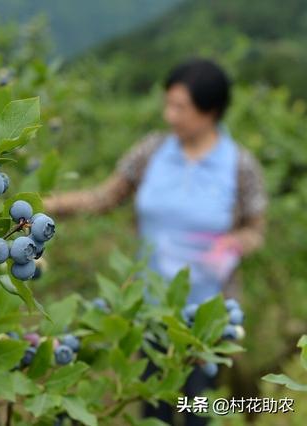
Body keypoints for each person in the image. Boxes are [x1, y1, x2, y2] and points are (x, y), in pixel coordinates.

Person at [43, 58, 267, 425]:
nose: (169, 116)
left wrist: (231, 245)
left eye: (180, 107)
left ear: (210, 110)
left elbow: (255, 230)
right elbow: (104, 197)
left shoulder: (240, 165)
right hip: (150, 308)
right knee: (154, 407)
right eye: (168, 104)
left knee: (197, 409)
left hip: (207, 317)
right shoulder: (152, 151)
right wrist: (48, 207)